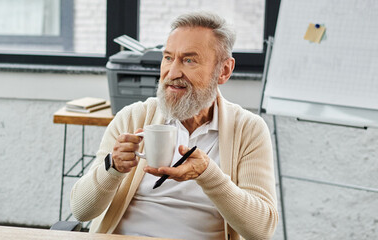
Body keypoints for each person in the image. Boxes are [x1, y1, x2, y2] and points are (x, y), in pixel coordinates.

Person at [69, 11, 277, 240]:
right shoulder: (132, 118)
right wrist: (113, 168)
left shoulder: (249, 130)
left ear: (224, 70)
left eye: (189, 60)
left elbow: (262, 231)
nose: (172, 72)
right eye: (168, 58)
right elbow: (81, 210)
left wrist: (208, 174)